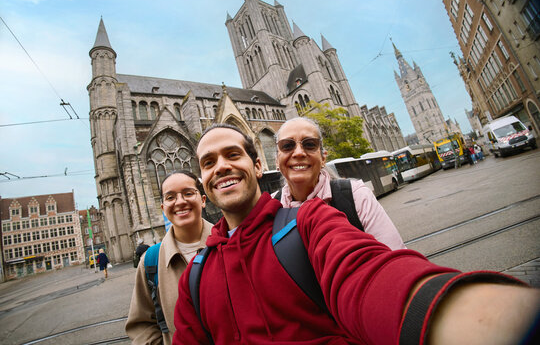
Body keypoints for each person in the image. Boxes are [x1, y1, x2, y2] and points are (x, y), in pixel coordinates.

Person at [172, 123, 539, 344]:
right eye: (208, 162)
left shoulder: (310, 222)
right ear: (203, 183)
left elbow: (371, 276)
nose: (221, 166)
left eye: (232, 154)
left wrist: (478, 318)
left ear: (257, 164)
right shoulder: (195, 279)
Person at [274, 117, 405, 250]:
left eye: (309, 144)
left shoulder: (356, 195)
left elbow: (396, 260)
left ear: (323, 158)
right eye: (287, 146)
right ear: (276, 161)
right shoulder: (271, 209)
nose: (299, 153)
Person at [125, 170, 213, 345]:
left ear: (203, 200)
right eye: (170, 197)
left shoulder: (229, 243)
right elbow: (142, 326)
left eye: (188, 193)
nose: (180, 202)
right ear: (163, 208)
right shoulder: (151, 261)